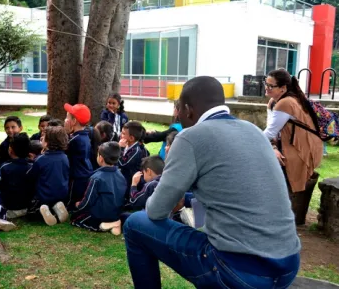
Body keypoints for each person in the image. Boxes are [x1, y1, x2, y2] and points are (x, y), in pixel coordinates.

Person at [123, 76, 301, 289]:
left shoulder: (190, 137)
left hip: (238, 271)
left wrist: (176, 198)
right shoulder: (253, 131)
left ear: (188, 109)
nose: (177, 114)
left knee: (135, 224)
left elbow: (156, 211)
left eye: (178, 108)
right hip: (288, 265)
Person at [263, 69, 323, 224]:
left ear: (283, 88)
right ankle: (277, 213)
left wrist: (249, 141)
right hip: (291, 144)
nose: (267, 88)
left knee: (277, 171)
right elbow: (272, 132)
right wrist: (273, 148)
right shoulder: (274, 101)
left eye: (271, 86)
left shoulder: (286, 102)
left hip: (303, 148)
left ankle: (281, 218)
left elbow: (269, 132)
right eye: (266, 83)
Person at [71, 142, 126, 235]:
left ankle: (106, 225)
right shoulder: (120, 174)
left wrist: (79, 205)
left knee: (74, 219)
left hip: (100, 215)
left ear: (100, 158)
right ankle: (114, 223)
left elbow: (88, 201)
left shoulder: (96, 178)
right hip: (116, 213)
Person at [27, 126, 70, 226]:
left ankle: (41, 209)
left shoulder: (41, 159)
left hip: (44, 196)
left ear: (47, 142)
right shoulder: (65, 157)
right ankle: (57, 208)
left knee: (30, 211)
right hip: (62, 194)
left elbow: (31, 176)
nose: (41, 138)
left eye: (43, 137)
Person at [64, 103, 94, 208]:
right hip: (84, 173)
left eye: (67, 117)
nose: (65, 120)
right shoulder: (84, 136)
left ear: (74, 121)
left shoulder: (75, 139)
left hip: (77, 176)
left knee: (71, 202)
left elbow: (64, 148)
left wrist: (66, 133)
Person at [0, 133, 32, 219]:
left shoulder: (5, 167)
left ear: (10, 150)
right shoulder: (33, 166)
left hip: (9, 207)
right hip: (28, 206)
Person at [118, 121, 148, 196]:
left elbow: (122, 164)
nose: (121, 135)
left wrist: (120, 149)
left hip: (129, 180)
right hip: (122, 178)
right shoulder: (126, 145)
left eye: (123, 134)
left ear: (131, 138)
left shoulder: (136, 151)